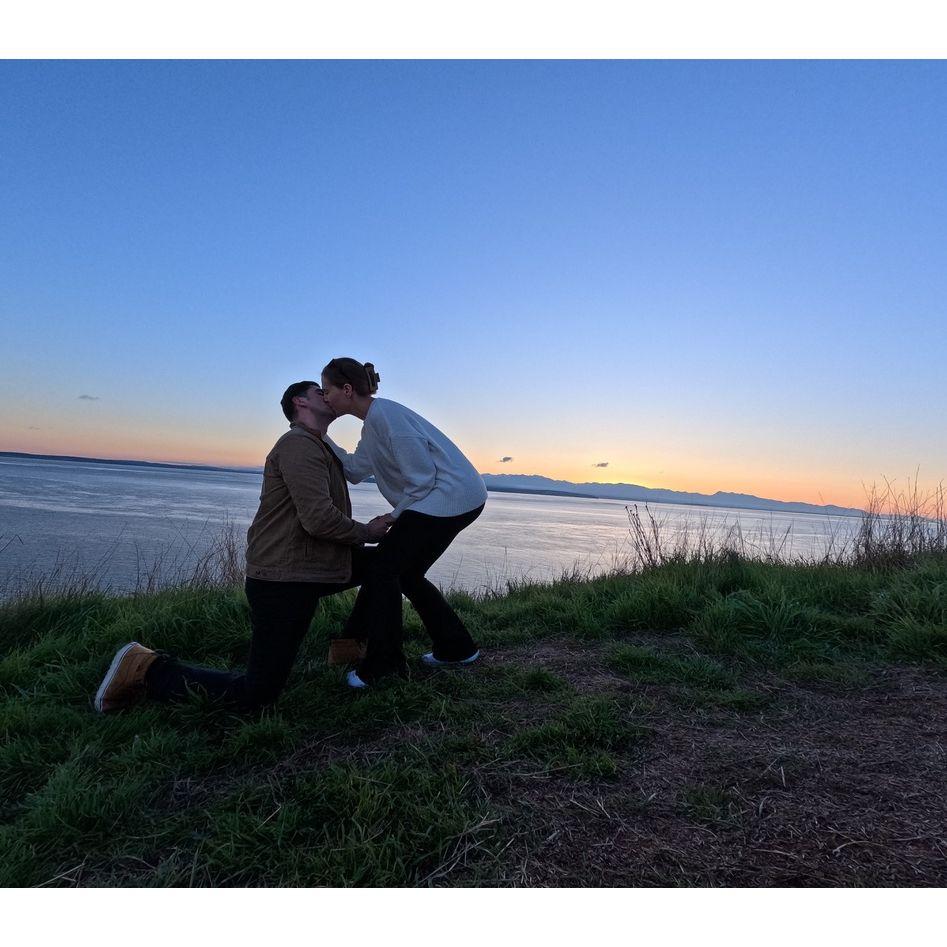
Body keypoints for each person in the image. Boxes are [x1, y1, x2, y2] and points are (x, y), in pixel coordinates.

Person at [93, 381, 390, 713]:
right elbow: (318, 519)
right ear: (299, 402)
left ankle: (358, 648)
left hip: (311, 568)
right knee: (258, 695)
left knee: (386, 564)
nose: (329, 395)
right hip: (282, 579)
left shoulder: (318, 446)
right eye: (320, 392)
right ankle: (146, 668)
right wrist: (366, 530)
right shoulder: (298, 445)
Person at [321, 357, 488, 688]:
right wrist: (321, 435)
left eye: (327, 391)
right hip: (442, 499)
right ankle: (456, 648)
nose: (325, 397)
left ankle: (383, 666)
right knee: (407, 574)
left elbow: (422, 480)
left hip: (451, 497)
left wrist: (393, 517)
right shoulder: (373, 425)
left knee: (383, 569)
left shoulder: (389, 418)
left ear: (347, 389)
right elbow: (354, 470)